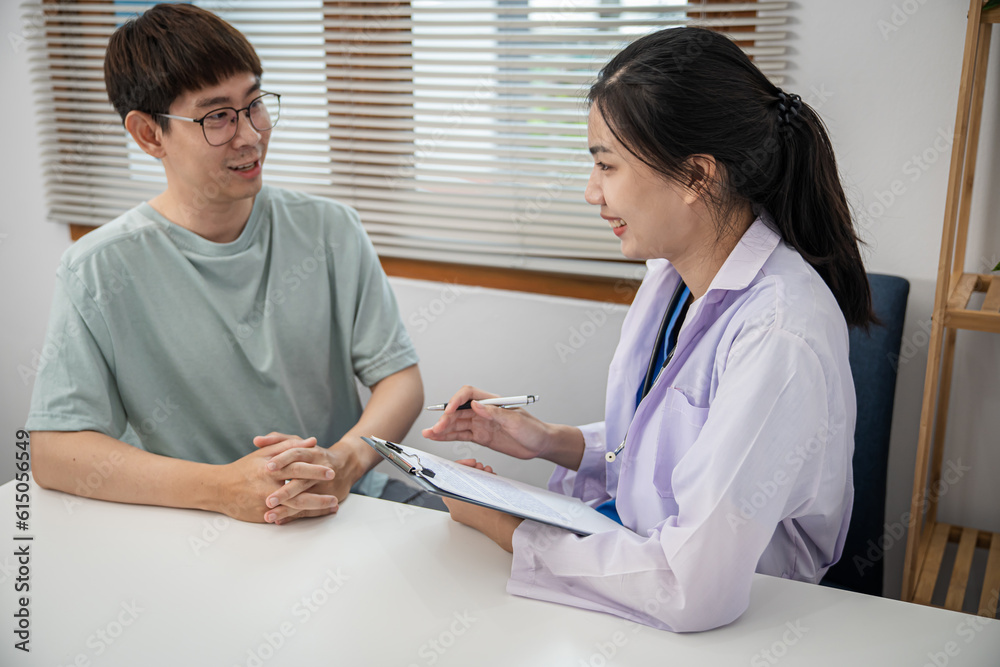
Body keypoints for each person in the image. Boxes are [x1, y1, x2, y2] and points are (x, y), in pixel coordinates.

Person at [423, 26, 874, 632]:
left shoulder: (778, 334)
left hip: (749, 621)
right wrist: (547, 439)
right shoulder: (674, 271)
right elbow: (670, 441)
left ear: (696, 177)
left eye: (606, 166)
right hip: (643, 564)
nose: (591, 193)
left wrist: (501, 522)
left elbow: (692, 586)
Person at [27, 3, 438, 524]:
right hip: (191, 518)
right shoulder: (98, 269)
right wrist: (222, 488)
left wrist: (346, 462)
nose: (250, 135)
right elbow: (53, 450)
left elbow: (399, 378)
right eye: (217, 116)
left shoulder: (330, 230)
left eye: (255, 103)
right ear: (150, 135)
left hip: (342, 499)